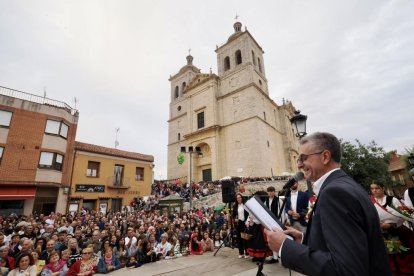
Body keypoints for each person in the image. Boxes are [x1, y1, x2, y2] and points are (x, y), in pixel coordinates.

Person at [264, 132, 392, 275]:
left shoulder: (335, 193)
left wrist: (285, 247)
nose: (299, 164)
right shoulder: (345, 184)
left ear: (325, 156)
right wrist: (303, 240)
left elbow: (346, 269)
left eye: (303, 158)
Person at [370, 180, 414, 274]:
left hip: (398, 231)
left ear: (382, 189)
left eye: (377, 188)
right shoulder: (370, 202)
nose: (374, 190)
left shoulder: (392, 200)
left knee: (404, 256)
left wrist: (391, 225)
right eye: (372, 189)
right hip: (382, 233)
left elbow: (402, 216)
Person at [264, 186, 279, 264]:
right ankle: (274, 257)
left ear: (274, 192)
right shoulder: (266, 200)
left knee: (276, 239)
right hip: (268, 222)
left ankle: (278, 256)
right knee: (270, 239)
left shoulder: (278, 200)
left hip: (275, 222)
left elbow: (280, 212)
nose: (270, 193)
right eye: (269, 191)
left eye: (271, 191)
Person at [231, 193, 249, 258]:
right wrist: (234, 219)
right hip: (238, 223)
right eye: (237, 198)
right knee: (239, 239)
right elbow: (233, 215)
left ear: (242, 198)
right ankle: (241, 252)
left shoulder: (245, 205)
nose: (238, 199)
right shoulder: (235, 206)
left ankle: (247, 252)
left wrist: (247, 222)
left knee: (245, 238)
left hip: (244, 223)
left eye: (239, 197)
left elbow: (248, 214)